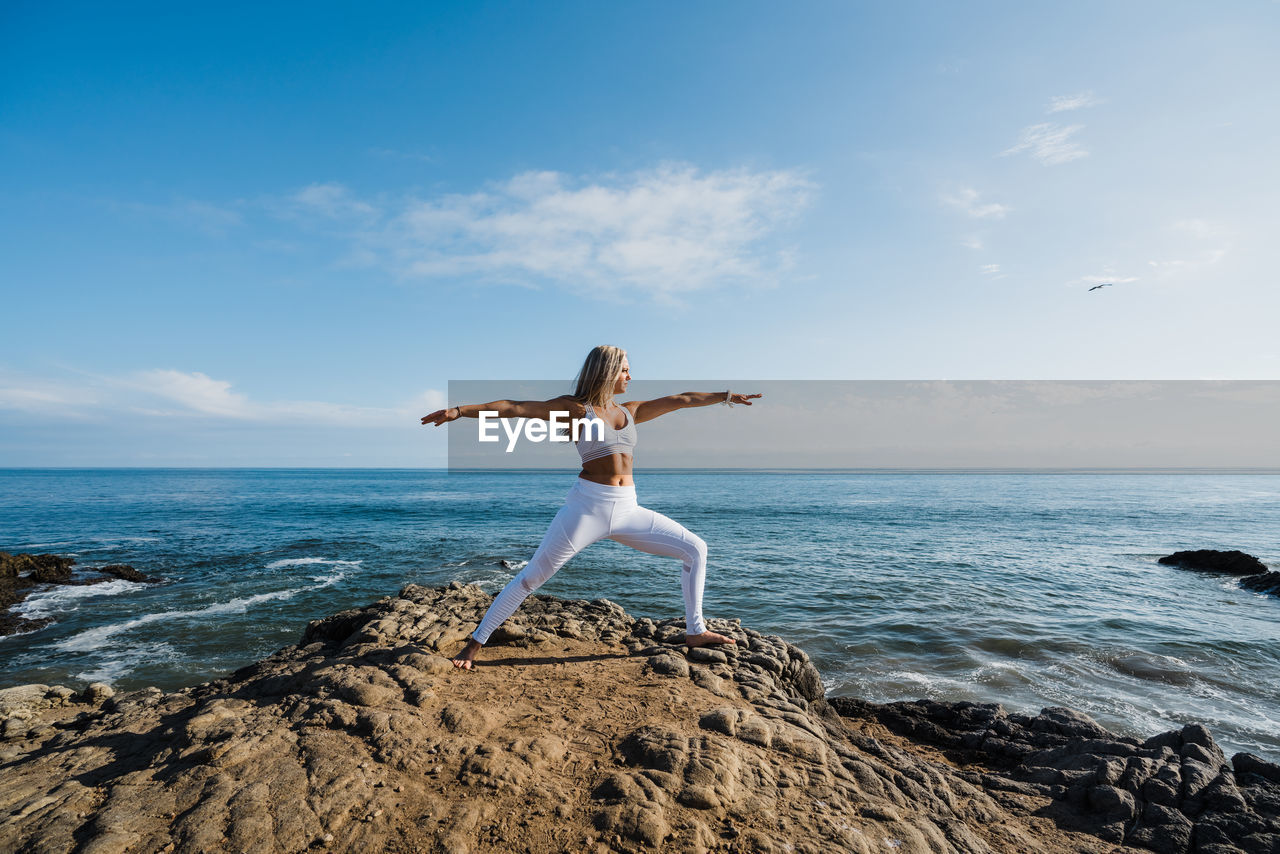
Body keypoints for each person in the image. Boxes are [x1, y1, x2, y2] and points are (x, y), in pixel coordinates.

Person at [420, 345, 762, 669]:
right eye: (625, 370)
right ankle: (474, 644)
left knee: (695, 549)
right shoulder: (574, 409)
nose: (630, 376)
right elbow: (514, 407)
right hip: (586, 509)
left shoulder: (631, 411)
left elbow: (682, 400)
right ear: (608, 372)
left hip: (628, 509)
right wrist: (459, 411)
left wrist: (727, 396)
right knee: (530, 579)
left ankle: (695, 631)